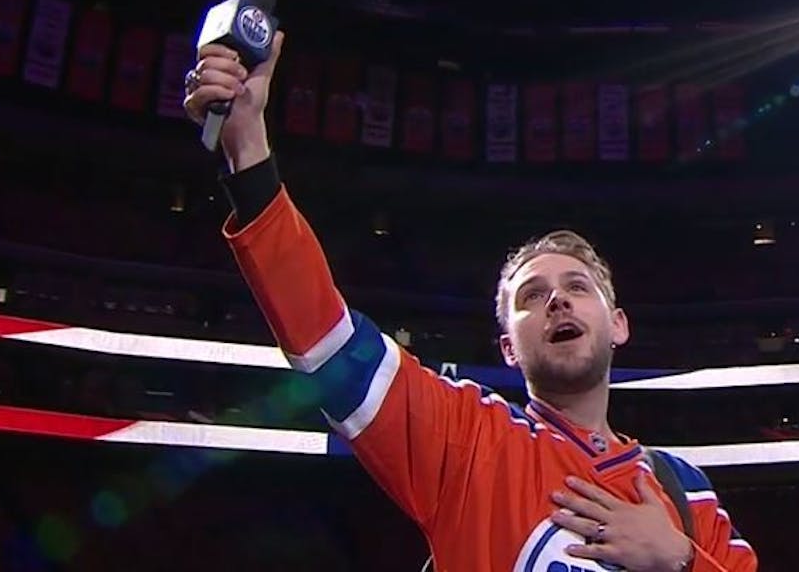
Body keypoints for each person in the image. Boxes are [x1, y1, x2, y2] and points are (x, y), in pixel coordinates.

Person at [183, 32, 757, 571]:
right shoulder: (468, 440)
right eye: (533, 297)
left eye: (578, 287)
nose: (558, 300)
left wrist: (680, 559)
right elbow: (329, 342)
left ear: (619, 325)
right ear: (508, 347)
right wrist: (249, 151)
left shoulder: (687, 493)